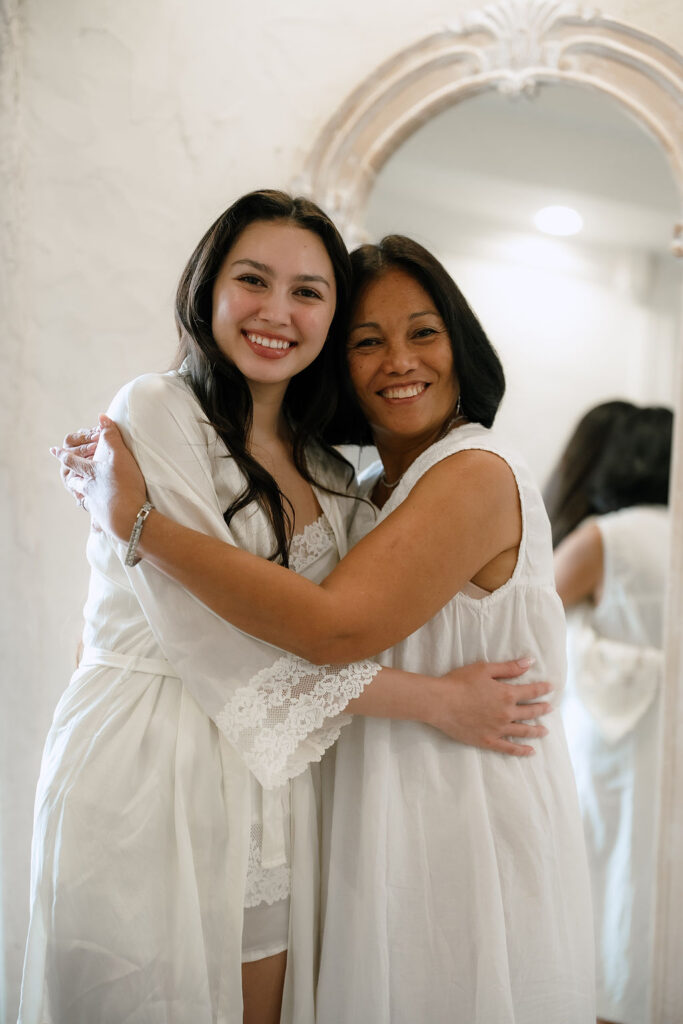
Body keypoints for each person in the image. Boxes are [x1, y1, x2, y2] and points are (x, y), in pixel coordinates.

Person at [28, 193, 550, 1024]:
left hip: (280, 774)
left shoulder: (335, 474)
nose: (278, 312)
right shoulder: (155, 411)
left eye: (308, 292)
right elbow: (218, 637)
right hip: (154, 752)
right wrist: (437, 701)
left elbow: (330, 634)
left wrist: (136, 523)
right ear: (209, 294)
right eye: (253, 280)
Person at [551, 404, 673, 1024]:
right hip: (666, 738)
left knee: (602, 866)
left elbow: (528, 617)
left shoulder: (608, 536)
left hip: (606, 741)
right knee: (654, 873)